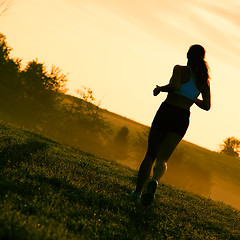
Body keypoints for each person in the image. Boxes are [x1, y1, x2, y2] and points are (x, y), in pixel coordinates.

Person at [130, 44, 211, 206]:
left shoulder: (179, 69)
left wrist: (160, 89)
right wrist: (192, 98)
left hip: (167, 111)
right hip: (182, 117)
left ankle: (137, 193)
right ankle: (154, 181)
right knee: (163, 159)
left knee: (151, 154)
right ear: (202, 58)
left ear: (188, 55)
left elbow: (174, 87)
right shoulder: (204, 80)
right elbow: (207, 106)